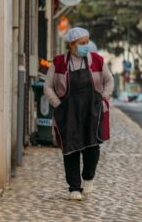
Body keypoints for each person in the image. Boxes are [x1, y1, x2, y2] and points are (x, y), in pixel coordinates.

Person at [45, 27, 114, 201]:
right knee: (70, 150)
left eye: (87, 42)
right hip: (68, 112)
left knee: (93, 148)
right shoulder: (59, 63)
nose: (86, 46)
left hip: (92, 111)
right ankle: (74, 188)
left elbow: (109, 81)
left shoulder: (97, 61)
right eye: (82, 43)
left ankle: (88, 177)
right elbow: (48, 86)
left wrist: (103, 99)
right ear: (71, 44)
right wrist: (58, 105)